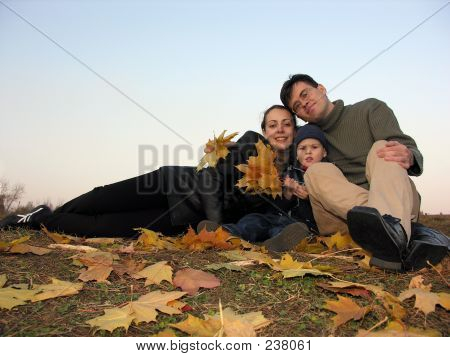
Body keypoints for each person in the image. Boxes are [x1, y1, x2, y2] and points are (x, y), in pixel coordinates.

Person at [0, 105, 296, 238]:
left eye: (286, 123)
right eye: (273, 124)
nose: (279, 129)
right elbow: (210, 177)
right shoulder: (250, 144)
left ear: (295, 130)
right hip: (171, 185)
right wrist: (215, 226)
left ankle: (42, 219)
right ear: (264, 130)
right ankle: (37, 215)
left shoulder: (291, 176)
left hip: (180, 221)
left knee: (101, 228)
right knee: (99, 197)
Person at [279, 73, 448, 270]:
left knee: (382, 148)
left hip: (396, 199)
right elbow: (277, 149)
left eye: (305, 94)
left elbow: (406, 148)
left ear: (322, 89)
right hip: (342, 220)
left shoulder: (370, 109)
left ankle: (390, 231)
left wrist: (409, 155)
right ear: (299, 116)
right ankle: (401, 233)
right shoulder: (309, 139)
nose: (304, 104)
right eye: (297, 106)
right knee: (315, 171)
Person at [220, 124, 328, 252]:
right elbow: (280, 205)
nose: (308, 151)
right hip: (278, 216)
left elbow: (327, 207)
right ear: (297, 154)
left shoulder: (327, 173)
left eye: (314, 147)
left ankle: (279, 243)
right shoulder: (292, 172)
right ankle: (227, 232)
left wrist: (307, 199)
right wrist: (287, 194)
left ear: (325, 152)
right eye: (302, 148)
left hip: (301, 223)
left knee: (283, 230)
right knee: (254, 220)